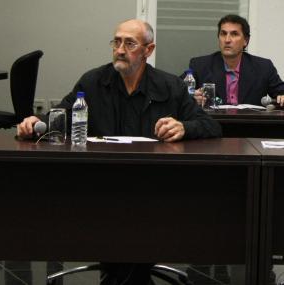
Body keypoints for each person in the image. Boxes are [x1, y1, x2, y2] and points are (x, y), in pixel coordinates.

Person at [17, 18, 220, 285]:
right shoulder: (93, 82)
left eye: (129, 44)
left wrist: (184, 127)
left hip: (153, 185)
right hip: (100, 184)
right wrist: (35, 123)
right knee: (124, 221)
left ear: (148, 50)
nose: (120, 50)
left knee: (134, 220)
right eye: (116, 42)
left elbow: (210, 125)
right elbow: (60, 118)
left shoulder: (170, 86)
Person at [186, 14, 284, 108]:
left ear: (246, 41)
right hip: (213, 125)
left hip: (249, 126)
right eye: (223, 34)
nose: (227, 40)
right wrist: (191, 97)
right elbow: (178, 92)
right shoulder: (200, 65)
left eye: (234, 34)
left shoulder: (263, 67)